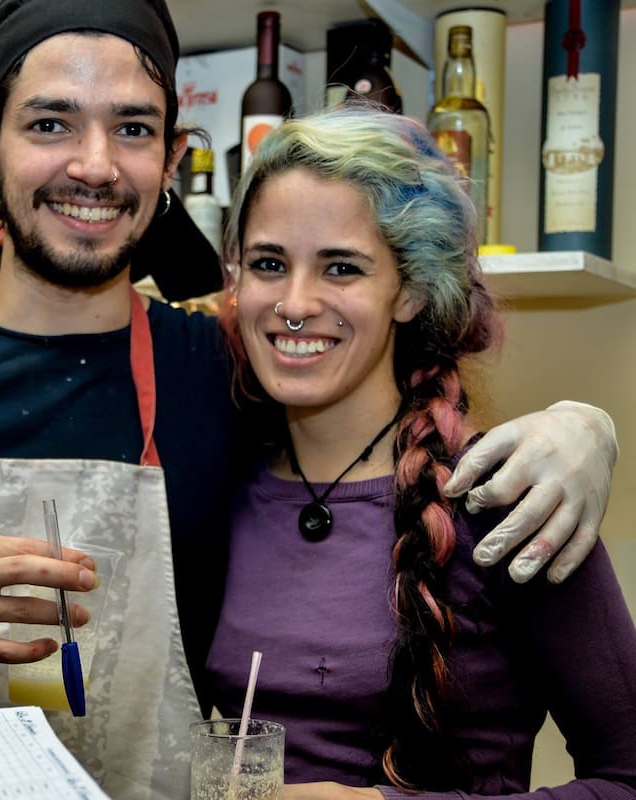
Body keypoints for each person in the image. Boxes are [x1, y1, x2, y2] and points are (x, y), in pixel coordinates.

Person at [0, 2, 620, 797]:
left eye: (131, 128)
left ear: (170, 161)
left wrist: (582, 428)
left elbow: (382, 407)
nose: (93, 165)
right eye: (51, 123)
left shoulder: (226, 373)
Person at [206, 107, 636, 800]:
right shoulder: (220, 473)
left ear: (408, 290)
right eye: (267, 264)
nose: (293, 302)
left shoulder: (506, 496)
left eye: (341, 267)